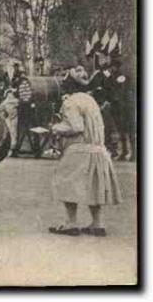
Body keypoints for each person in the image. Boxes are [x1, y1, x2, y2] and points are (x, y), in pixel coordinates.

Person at [49, 66, 122, 236]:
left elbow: (75, 126)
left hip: (78, 149)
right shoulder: (91, 100)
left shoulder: (70, 102)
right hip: (97, 148)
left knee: (65, 181)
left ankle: (70, 223)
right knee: (94, 184)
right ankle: (97, 223)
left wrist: (55, 128)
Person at [0, 89, 20, 154]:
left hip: (15, 119)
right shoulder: (5, 102)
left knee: (14, 133)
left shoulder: (17, 101)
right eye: (9, 94)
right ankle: (8, 149)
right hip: (8, 119)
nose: (10, 95)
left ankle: (13, 149)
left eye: (11, 94)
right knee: (8, 133)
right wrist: (4, 114)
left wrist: (16, 113)